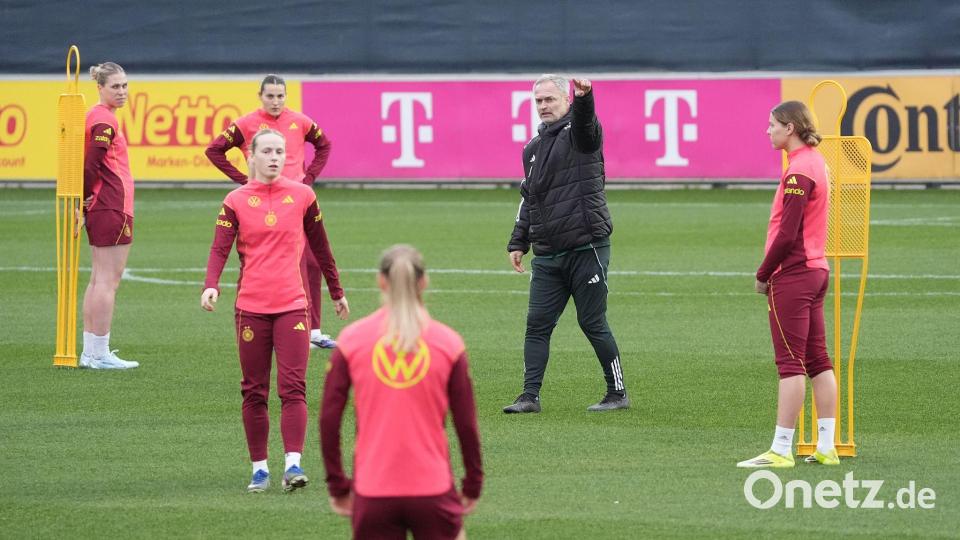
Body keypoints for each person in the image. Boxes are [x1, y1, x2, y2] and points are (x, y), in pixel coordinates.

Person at [200, 129, 350, 492]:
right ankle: (259, 469)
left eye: (280, 152)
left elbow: (322, 247)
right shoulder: (235, 200)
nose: (274, 157)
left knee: (293, 388)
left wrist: (336, 291)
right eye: (266, 151)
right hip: (250, 308)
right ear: (251, 156)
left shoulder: (302, 196)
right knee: (254, 390)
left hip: (293, 307)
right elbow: (220, 248)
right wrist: (210, 284)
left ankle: (293, 466)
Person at [320, 245, 483, 540]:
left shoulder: (352, 340)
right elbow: (466, 424)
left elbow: (329, 420)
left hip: (373, 491)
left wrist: (338, 485)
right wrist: (473, 484)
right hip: (432, 489)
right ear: (424, 282)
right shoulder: (449, 343)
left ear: (381, 281)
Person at [503, 74, 628, 413]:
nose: (543, 106)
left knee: (592, 322)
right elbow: (529, 198)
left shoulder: (581, 134)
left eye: (550, 100)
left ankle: (617, 392)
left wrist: (586, 97)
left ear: (566, 100)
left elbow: (587, 123)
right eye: (539, 101)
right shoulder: (531, 149)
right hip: (547, 253)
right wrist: (519, 241)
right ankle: (529, 396)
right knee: (537, 324)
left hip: (586, 247)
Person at [737, 101, 839, 468]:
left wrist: (764, 273)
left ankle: (781, 450)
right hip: (816, 269)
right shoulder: (816, 162)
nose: (768, 131)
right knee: (818, 360)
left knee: (791, 364)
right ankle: (826, 446)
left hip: (794, 274)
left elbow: (787, 233)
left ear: (790, 128)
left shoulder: (798, 171)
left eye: (772, 124)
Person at [205, 74, 336, 349]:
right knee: (283, 262)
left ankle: (314, 330)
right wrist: (244, 180)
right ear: (260, 96)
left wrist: (309, 177)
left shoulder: (299, 121)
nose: (276, 101)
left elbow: (324, 144)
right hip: (262, 203)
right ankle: (282, 325)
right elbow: (214, 150)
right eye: (270, 96)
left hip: (297, 200)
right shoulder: (246, 124)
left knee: (312, 262)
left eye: (280, 96)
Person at [78, 62, 139, 370]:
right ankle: (99, 352)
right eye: (115, 86)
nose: (122, 91)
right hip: (112, 205)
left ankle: (91, 351)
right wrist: (85, 193)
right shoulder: (104, 120)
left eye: (125, 85)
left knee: (97, 279)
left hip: (105, 205)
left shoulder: (96, 115)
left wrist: (85, 197)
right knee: (107, 281)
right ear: (100, 87)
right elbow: (91, 163)